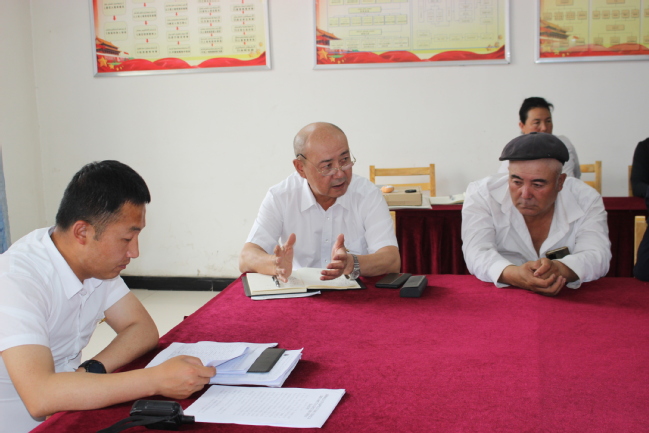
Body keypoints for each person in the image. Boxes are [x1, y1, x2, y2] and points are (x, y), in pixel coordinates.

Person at [0, 161, 216, 433]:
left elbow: (141, 329)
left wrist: (90, 371)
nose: (134, 252)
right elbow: (41, 396)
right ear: (82, 232)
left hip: (66, 410)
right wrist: (154, 380)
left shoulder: (93, 264)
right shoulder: (16, 280)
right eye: (126, 239)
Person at [239, 122, 400, 282]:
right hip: (300, 290)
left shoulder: (367, 194)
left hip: (354, 291)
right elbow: (246, 257)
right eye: (327, 166)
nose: (340, 173)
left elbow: (391, 260)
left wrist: (352, 263)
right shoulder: (281, 196)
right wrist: (275, 264)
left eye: (344, 160)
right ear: (300, 168)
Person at [462, 132, 611, 296]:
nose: (525, 194)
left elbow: (597, 254)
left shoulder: (585, 199)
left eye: (538, 184)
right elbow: (476, 252)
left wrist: (560, 269)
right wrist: (513, 274)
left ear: (560, 182)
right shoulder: (482, 194)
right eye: (516, 182)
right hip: (505, 296)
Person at [499, 97, 581, 178]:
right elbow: (503, 180)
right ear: (522, 126)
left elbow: (574, 177)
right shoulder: (514, 150)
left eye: (548, 121)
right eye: (536, 123)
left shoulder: (563, 144)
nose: (544, 128)